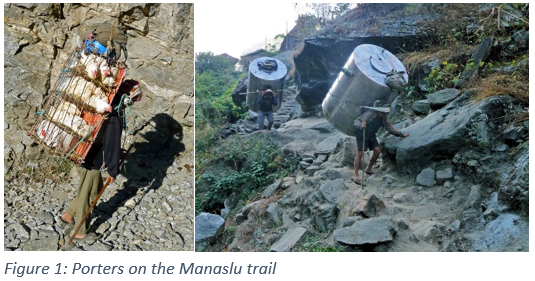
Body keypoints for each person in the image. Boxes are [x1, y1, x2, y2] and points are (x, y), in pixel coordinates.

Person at [59, 80, 141, 241]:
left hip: (82, 152)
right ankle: (80, 230)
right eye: (133, 99)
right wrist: (113, 170)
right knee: (87, 193)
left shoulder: (107, 102)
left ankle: (68, 214)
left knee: (92, 189)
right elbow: (112, 144)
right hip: (93, 159)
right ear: (128, 97)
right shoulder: (114, 114)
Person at [352, 105, 408, 185]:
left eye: (385, 112)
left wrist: (401, 134)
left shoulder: (384, 117)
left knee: (377, 151)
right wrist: (361, 125)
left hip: (371, 135)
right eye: (383, 112)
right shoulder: (370, 113)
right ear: (378, 111)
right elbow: (357, 121)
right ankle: (356, 174)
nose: (385, 114)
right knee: (360, 153)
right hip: (362, 133)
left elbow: (389, 127)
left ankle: (368, 168)